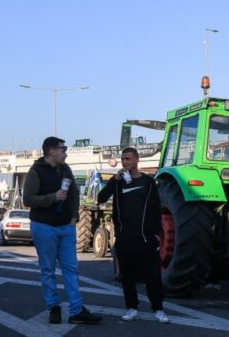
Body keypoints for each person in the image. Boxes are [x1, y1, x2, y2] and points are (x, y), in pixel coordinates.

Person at [24, 136, 101, 325]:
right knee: (48, 269)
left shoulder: (66, 169)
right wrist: (53, 197)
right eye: (63, 149)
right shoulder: (36, 171)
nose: (65, 152)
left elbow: (74, 193)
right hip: (44, 226)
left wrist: (74, 216)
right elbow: (28, 199)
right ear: (51, 151)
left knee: (71, 269)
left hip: (66, 226)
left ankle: (76, 310)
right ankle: (53, 307)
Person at [97, 147, 169, 323]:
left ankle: (158, 309)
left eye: (128, 159)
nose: (125, 162)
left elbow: (155, 208)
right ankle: (132, 308)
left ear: (136, 160)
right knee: (127, 275)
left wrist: (155, 233)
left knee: (153, 275)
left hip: (145, 237)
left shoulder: (148, 182)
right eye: (123, 159)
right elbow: (101, 198)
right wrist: (114, 180)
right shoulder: (118, 182)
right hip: (124, 237)